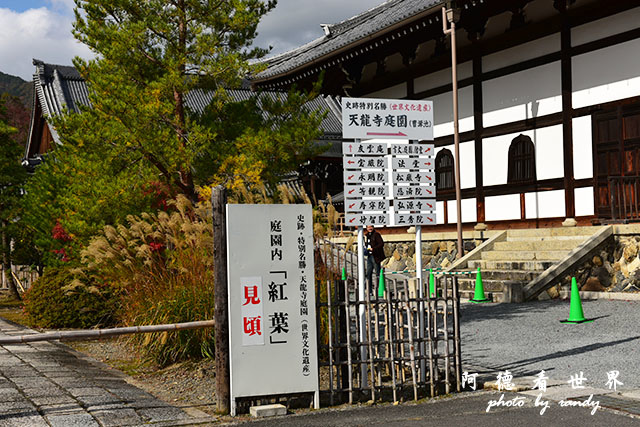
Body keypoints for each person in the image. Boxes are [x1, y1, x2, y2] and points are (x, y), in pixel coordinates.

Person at [364, 225, 385, 297]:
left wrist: (374, 248)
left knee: (377, 273)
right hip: (369, 256)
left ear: (373, 227)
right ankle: (369, 291)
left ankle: (379, 289)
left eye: (371, 227)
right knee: (368, 274)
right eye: (368, 227)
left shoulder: (376, 235)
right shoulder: (366, 236)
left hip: (375, 256)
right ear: (366, 228)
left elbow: (381, 244)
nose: (369, 228)